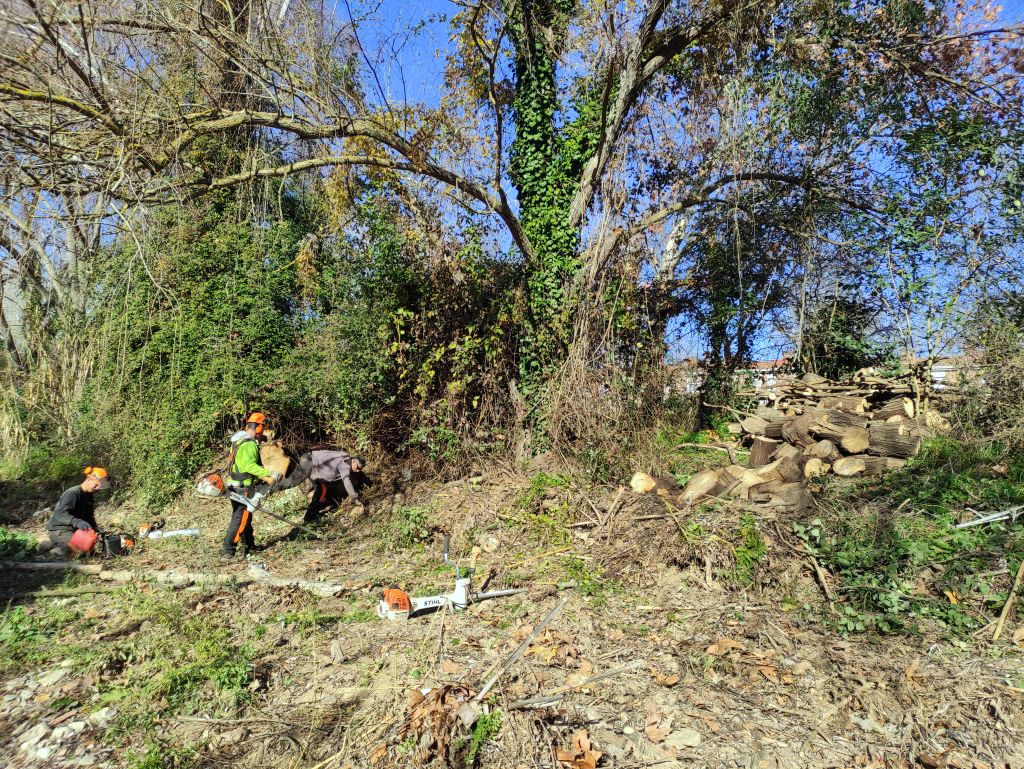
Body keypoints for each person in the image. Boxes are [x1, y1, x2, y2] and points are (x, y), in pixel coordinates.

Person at [222, 412, 281, 557]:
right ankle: (228, 550)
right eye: (264, 428)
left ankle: (250, 546)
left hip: (234, 485)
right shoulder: (249, 444)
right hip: (243, 487)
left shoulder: (238, 441)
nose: (264, 433)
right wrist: (270, 474)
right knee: (240, 517)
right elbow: (248, 466)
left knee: (245, 517)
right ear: (259, 428)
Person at [274, 450, 367, 523]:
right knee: (293, 483)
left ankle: (309, 518)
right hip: (311, 463)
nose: (358, 470)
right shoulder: (345, 467)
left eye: (360, 469)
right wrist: (355, 499)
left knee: (319, 491)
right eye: (358, 467)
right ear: (353, 461)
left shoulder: (345, 455)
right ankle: (308, 519)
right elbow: (347, 482)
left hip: (310, 458)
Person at [38, 467, 111, 557]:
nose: (97, 489)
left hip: (74, 529)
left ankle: (53, 544)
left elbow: (89, 516)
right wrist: (77, 521)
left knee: (90, 549)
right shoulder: (73, 493)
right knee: (75, 551)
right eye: (96, 485)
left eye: (99, 487)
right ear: (89, 479)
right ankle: (48, 546)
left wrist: (95, 528)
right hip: (60, 529)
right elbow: (60, 514)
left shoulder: (89, 496)